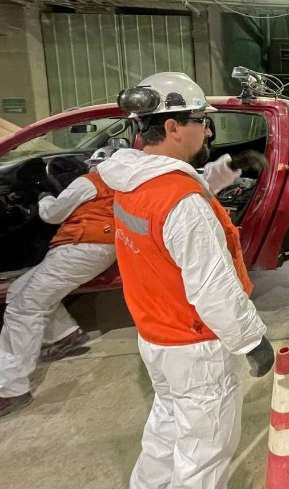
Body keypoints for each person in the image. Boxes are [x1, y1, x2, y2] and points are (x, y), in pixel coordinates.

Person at [97, 72, 274, 489]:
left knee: (167, 426)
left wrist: (228, 168)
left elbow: (175, 192)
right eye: (201, 120)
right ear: (174, 127)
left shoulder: (131, 181)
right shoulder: (182, 204)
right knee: (204, 453)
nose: (209, 128)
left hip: (156, 335)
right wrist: (251, 340)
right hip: (194, 344)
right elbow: (212, 288)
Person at [0, 146, 120, 432]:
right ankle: (65, 337)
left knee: (24, 306)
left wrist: (43, 197)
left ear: (95, 165)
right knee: (20, 289)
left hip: (80, 247)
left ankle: (8, 391)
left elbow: (52, 215)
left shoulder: (88, 182)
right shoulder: (123, 184)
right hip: (100, 247)